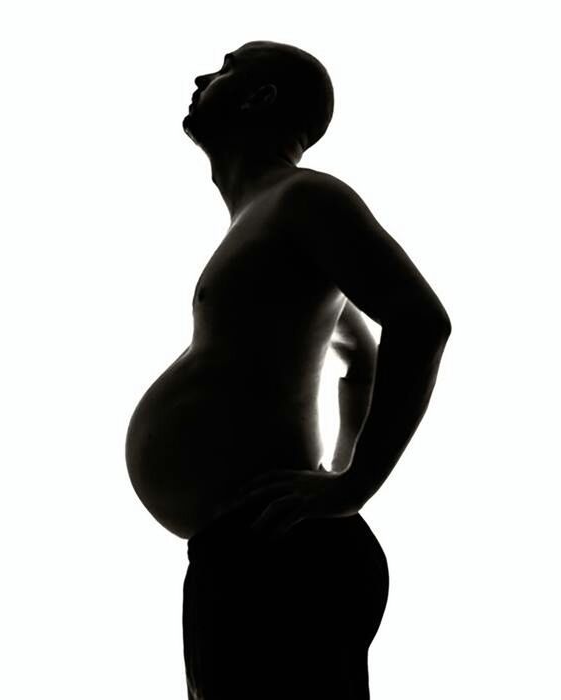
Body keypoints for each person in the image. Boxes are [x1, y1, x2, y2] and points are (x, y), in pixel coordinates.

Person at [125, 40, 451, 699]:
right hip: (245, 550)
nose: (201, 75)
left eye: (226, 68)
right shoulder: (262, 224)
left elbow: (422, 322)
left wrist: (353, 485)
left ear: (260, 96)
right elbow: (358, 354)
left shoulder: (304, 198)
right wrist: (337, 464)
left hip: (284, 557)